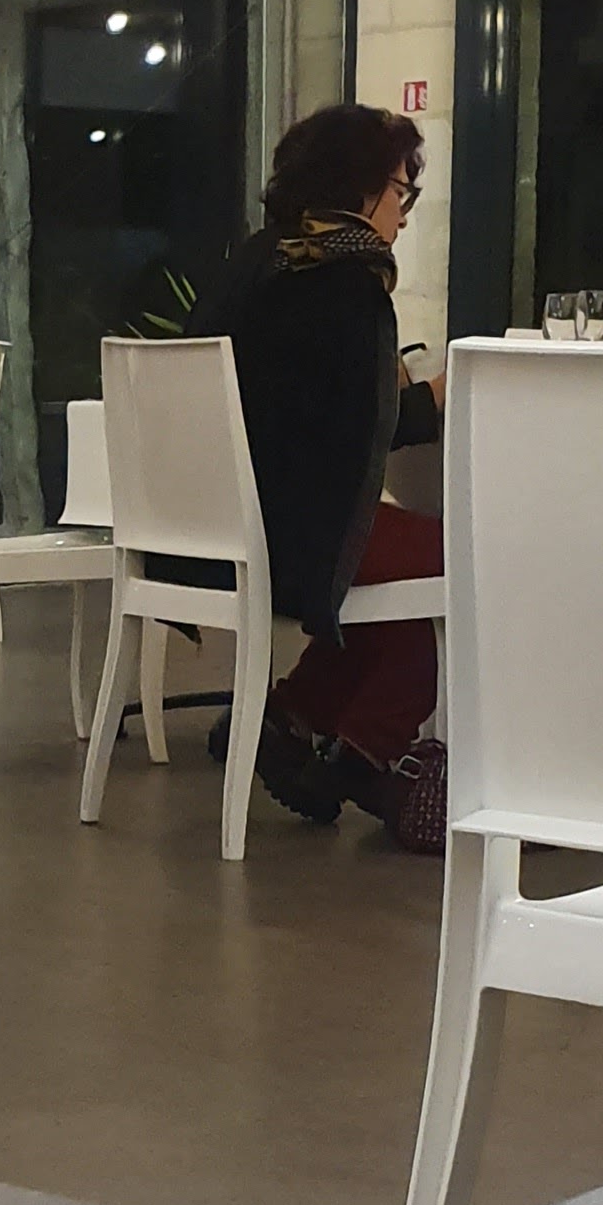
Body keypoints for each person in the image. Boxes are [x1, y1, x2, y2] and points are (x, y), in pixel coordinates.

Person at [190, 103, 441, 826]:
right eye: (401, 193)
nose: (404, 216)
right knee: (461, 557)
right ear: (361, 187)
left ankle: (295, 719)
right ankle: (368, 755)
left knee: (400, 580)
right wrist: (436, 396)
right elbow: (365, 429)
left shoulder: (257, 259)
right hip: (294, 534)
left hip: (216, 528)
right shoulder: (344, 276)